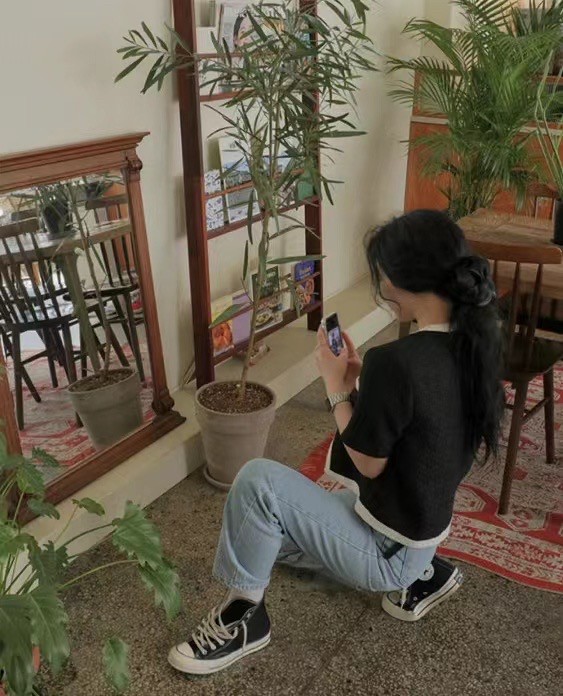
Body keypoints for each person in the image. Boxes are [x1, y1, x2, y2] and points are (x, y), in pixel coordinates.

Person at [168, 210, 504, 676]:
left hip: (385, 553)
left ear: (400, 281)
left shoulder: (399, 361)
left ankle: (244, 615)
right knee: (264, 536)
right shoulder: (473, 345)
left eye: (382, 273)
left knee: (257, 482)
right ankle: (427, 573)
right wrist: (364, 377)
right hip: (418, 535)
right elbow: (421, 417)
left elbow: (368, 463)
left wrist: (333, 385)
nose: (381, 283)